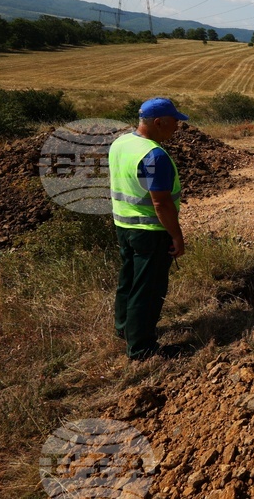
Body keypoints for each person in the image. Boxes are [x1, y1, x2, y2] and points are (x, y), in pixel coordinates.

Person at [108, 97, 188, 360]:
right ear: (157, 122)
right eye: (174, 122)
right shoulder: (155, 156)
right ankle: (142, 348)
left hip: (124, 225)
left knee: (128, 281)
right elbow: (161, 202)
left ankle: (125, 329)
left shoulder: (122, 142)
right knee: (148, 289)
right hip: (149, 231)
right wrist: (176, 235)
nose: (177, 127)